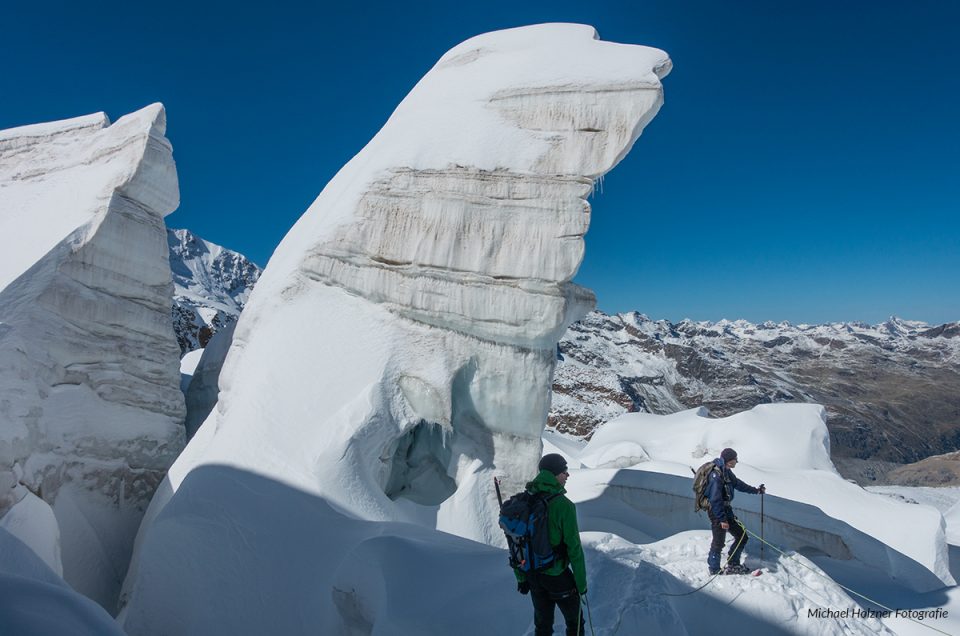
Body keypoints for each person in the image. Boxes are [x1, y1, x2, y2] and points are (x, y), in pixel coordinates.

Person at [516, 453, 587, 636]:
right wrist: (581, 584)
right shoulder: (564, 505)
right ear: (554, 474)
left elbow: (517, 544)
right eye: (564, 471)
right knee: (575, 622)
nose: (567, 475)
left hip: (533, 575)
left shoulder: (526, 500)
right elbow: (574, 549)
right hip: (556, 575)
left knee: (543, 625)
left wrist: (522, 578)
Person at [706, 448, 766, 575]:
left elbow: (738, 484)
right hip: (717, 512)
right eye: (735, 459)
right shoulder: (716, 474)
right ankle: (714, 569)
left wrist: (756, 490)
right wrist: (722, 519)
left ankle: (733, 563)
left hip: (726, 510)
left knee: (741, 535)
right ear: (729, 460)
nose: (737, 462)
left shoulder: (726, 472)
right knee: (719, 541)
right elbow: (715, 499)